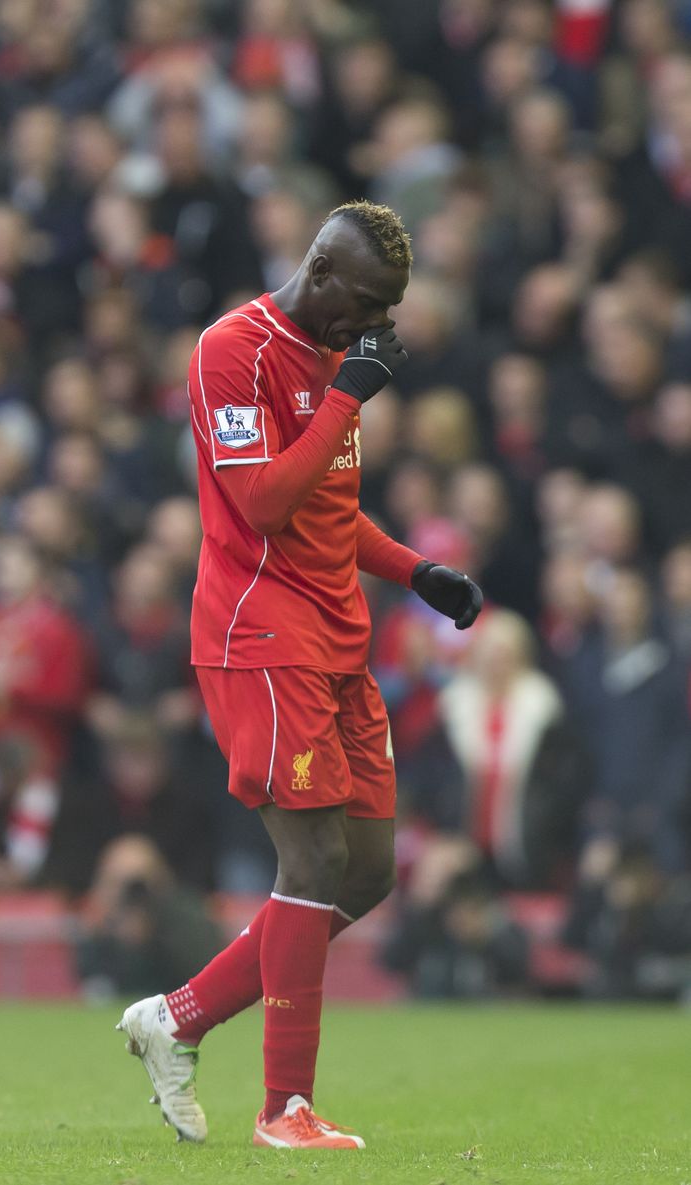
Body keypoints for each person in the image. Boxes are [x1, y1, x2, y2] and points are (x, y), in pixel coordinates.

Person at [116, 200, 483, 1148]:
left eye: (385, 313)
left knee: (364, 870)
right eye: (363, 304)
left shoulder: (332, 356)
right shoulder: (231, 350)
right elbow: (265, 500)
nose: (371, 330)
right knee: (310, 859)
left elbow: (328, 514)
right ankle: (286, 1109)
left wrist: (416, 570)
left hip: (338, 637)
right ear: (320, 270)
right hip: (259, 635)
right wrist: (348, 397)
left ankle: (178, 1018)